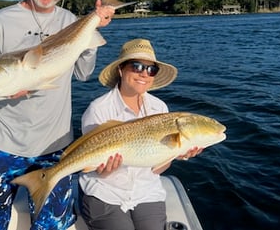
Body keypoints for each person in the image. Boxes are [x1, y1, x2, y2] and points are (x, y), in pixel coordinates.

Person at [0, 0, 115, 230]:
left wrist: (91, 34)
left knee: (52, 227)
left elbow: (83, 73)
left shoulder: (71, 20)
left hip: (55, 145)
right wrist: (7, 90)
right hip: (0, 142)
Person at [79, 38, 202, 230]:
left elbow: (155, 169)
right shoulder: (98, 109)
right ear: (121, 69)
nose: (144, 73)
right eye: (136, 66)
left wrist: (178, 153)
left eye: (151, 69)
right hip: (105, 191)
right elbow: (93, 168)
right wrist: (105, 169)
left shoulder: (159, 107)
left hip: (146, 191)